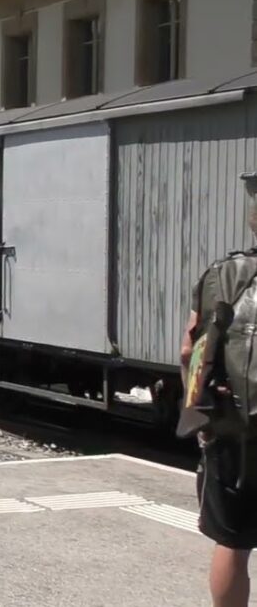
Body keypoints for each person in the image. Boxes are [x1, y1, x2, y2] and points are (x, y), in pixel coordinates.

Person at [179, 172, 257, 607]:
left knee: (232, 541)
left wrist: (200, 417)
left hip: (234, 428)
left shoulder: (220, 274)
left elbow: (190, 351)